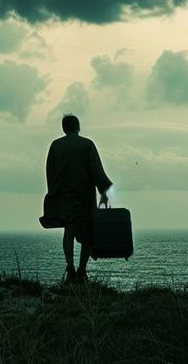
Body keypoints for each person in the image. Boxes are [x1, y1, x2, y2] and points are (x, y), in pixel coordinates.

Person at [44, 114, 112, 283]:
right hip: (84, 196)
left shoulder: (55, 145)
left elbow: (50, 173)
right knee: (87, 234)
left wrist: (53, 194)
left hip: (63, 196)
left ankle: (70, 269)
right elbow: (97, 172)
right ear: (77, 126)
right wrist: (104, 192)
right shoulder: (87, 145)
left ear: (63, 127)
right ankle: (82, 271)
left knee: (69, 230)